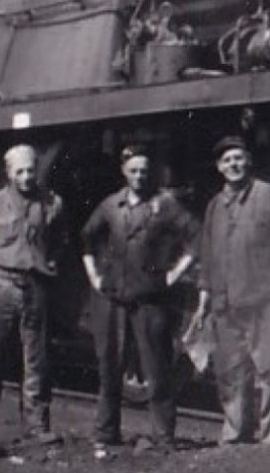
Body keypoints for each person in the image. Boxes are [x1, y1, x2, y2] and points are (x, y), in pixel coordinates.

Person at [81, 146, 200, 451]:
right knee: (110, 367)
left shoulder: (166, 205)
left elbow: (196, 239)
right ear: (124, 171)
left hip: (150, 299)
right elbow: (87, 238)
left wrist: (172, 275)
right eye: (133, 170)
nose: (139, 176)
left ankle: (163, 437)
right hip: (112, 299)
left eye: (144, 171)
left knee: (157, 369)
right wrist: (94, 276)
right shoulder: (110, 206)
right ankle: (106, 433)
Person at [196, 135, 270, 445]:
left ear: (249, 161)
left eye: (239, 158)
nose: (234, 165)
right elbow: (207, 253)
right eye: (227, 160)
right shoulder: (215, 206)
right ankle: (234, 434)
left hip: (264, 298)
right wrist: (203, 294)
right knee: (230, 372)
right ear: (219, 167)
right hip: (224, 302)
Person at [0, 144, 66, 449]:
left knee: (35, 362)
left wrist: (51, 264)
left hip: (35, 288)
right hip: (1, 287)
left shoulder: (52, 203)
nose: (26, 177)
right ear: (9, 173)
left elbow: (59, 242)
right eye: (19, 171)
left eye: (30, 170)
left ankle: (36, 427)